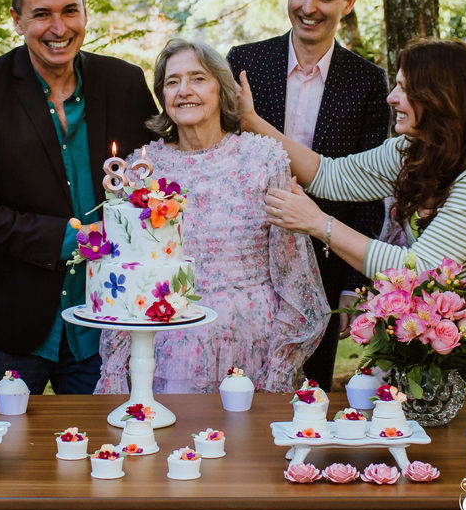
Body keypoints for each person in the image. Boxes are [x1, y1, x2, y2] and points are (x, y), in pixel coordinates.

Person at [248, 37, 466, 392]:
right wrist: (251, 120)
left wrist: (318, 223)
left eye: (405, 89)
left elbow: (420, 268)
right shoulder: (413, 149)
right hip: (447, 333)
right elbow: (330, 176)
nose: (392, 97)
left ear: (440, 97)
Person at [0, 0, 158, 395]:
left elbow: (160, 180)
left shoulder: (124, 83)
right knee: (1, 459)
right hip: (9, 328)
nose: (59, 28)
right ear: (16, 19)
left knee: (104, 458)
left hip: (107, 323)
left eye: (69, 11)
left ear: (86, 12)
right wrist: (78, 239)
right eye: (41, 14)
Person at [95, 39, 328, 394]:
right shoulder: (142, 170)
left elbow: (292, 272)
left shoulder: (264, 159)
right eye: (172, 82)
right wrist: (116, 366)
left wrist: (280, 365)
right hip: (169, 344)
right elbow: (129, 275)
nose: (184, 91)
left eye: (198, 78)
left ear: (223, 88)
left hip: (252, 342)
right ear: (162, 94)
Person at [226, 0, 390, 392]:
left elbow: (369, 188)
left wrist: (353, 285)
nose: (308, 7)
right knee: (236, 381)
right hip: (245, 256)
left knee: (309, 392)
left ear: (348, 2)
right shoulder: (244, 62)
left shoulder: (368, 82)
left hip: (325, 261)